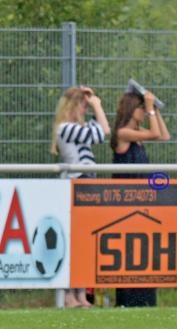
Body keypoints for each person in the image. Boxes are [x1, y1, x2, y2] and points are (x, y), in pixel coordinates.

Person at [50, 85, 111, 308]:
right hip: (77, 184)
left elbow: (99, 130)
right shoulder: (66, 128)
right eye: (83, 106)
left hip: (88, 183)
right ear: (73, 106)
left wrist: (93, 101)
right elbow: (103, 132)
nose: (86, 110)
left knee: (84, 242)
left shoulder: (78, 127)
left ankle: (81, 294)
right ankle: (68, 294)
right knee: (74, 241)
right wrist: (97, 105)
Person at [110, 89, 170, 307]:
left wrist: (155, 109)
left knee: (145, 250)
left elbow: (163, 136)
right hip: (126, 199)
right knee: (127, 248)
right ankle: (127, 299)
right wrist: (151, 108)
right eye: (141, 108)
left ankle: (144, 299)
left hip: (143, 199)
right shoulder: (124, 133)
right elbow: (155, 134)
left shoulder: (139, 132)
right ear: (130, 109)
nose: (144, 112)